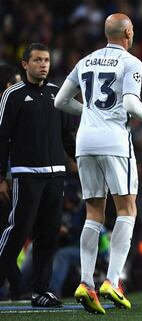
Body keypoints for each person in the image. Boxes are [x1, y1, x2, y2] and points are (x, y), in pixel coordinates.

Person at [54, 13, 142, 314]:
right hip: (115, 141)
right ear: (127, 33)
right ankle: (113, 281)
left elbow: (59, 101)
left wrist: (89, 112)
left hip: (84, 142)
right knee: (127, 209)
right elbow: (129, 103)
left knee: (94, 212)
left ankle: (86, 282)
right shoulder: (131, 62)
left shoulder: (85, 61)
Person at [0, 43, 76, 307]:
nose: (43, 64)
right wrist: (1, 177)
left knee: (49, 233)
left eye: (46, 60)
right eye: (37, 60)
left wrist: (78, 159)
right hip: (26, 176)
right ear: (25, 64)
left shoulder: (58, 94)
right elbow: (2, 139)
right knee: (17, 232)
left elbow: (67, 135)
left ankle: (41, 290)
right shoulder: (13, 95)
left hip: (56, 176)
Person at [0, 64, 22, 300]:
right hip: (6, 180)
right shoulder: (5, 110)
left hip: (10, 179)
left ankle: (15, 284)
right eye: (15, 82)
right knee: (10, 231)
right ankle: (15, 284)